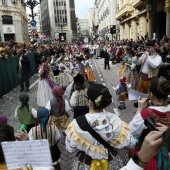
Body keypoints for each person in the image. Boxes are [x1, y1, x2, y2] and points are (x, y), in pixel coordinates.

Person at [66, 84, 137, 170]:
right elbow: (131, 145)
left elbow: (71, 149)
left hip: (85, 164)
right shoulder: (115, 120)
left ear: (89, 102)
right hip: (110, 163)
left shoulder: (76, 124)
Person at [129, 79, 170, 170]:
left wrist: (139, 109)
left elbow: (130, 132)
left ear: (150, 95)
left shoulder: (145, 114)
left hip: (151, 156)